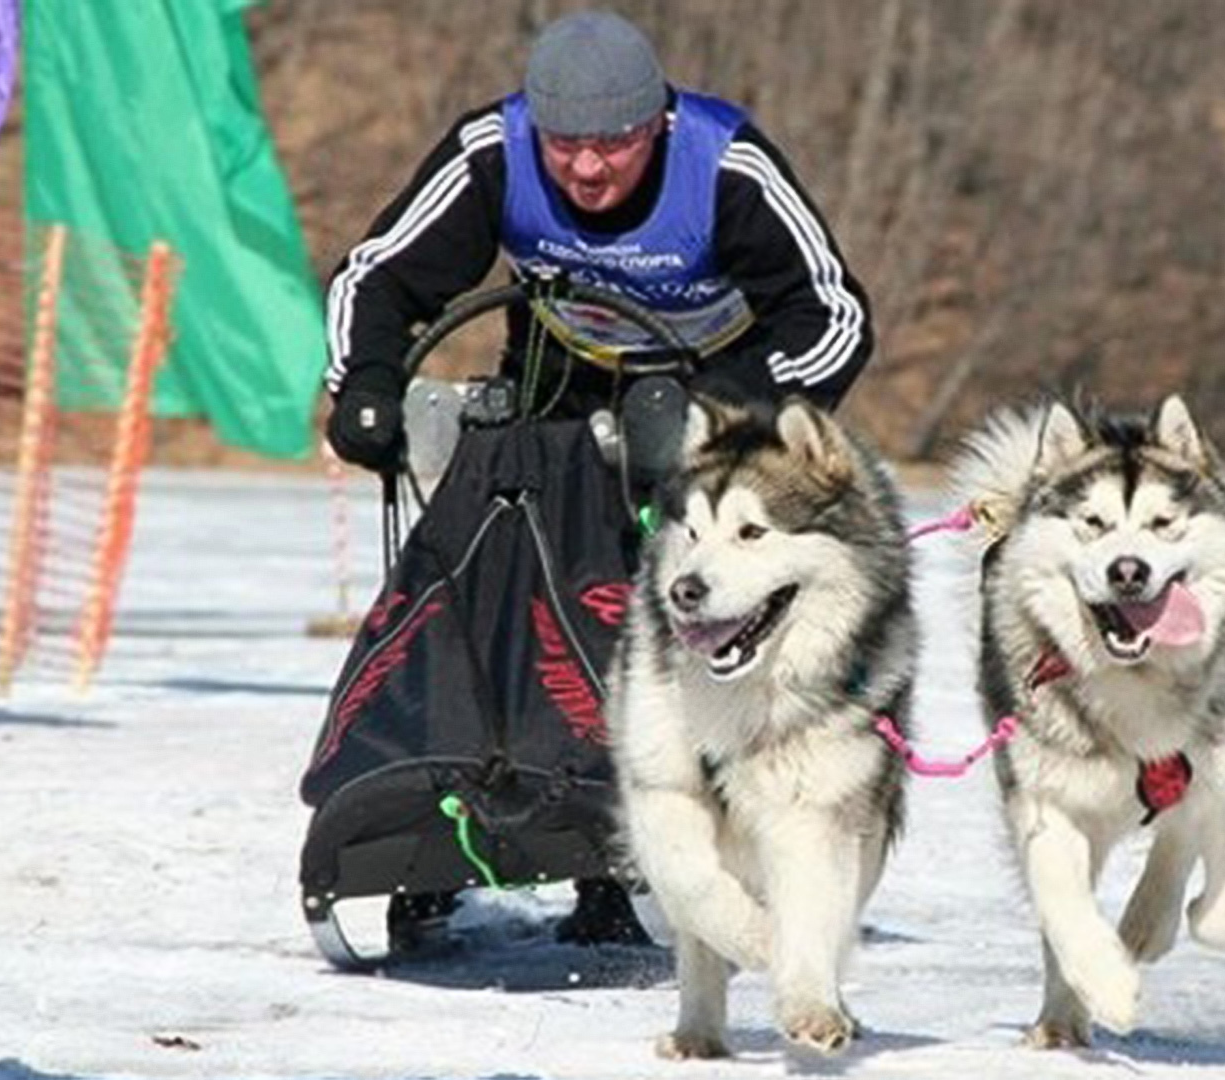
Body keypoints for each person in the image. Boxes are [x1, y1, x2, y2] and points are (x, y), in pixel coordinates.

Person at [319, 9, 874, 953]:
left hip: (708, 395)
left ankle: (620, 855)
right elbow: (377, 278)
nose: (585, 169)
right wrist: (366, 379)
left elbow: (832, 315)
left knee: (648, 620)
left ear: (655, 125)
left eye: (612, 145)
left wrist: (723, 417)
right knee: (495, 582)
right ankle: (448, 836)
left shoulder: (724, 163)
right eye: (566, 146)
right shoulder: (493, 150)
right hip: (559, 375)